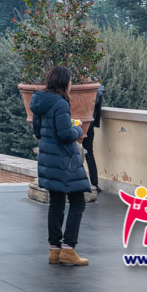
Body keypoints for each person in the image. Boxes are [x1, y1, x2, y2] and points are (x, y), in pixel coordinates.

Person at [31, 66, 91, 266]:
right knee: (78, 201)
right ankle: (68, 248)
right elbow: (65, 134)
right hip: (64, 159)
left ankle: (54, 250)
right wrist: (77, 129)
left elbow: (38, 132)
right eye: (71, 81)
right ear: (64, 82)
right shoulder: (60, 104)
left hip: (48, 158)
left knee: (56, 202)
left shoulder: (40, 103)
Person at [83, 82, 105, 193]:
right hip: (89, 125)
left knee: (73, 153)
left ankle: (79, 182)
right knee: (89, 154)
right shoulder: (97, 90)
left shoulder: (79, 89)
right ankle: (94, 183)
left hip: (76, 123)